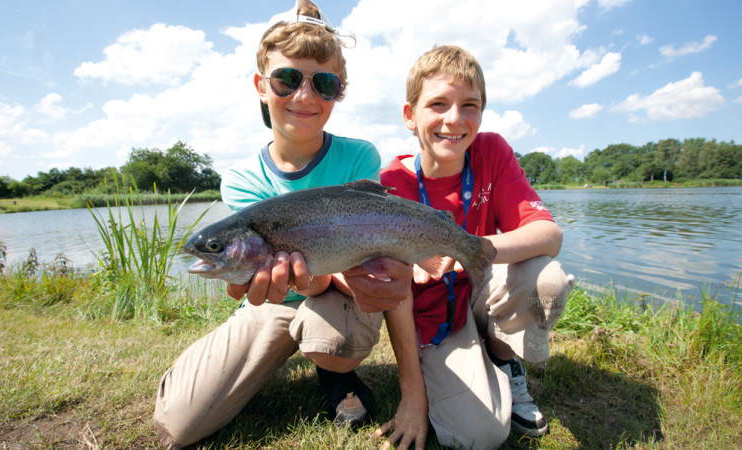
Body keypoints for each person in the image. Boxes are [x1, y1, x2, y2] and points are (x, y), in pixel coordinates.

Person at [152, 2, 413, 448]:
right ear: (260, 85)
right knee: (177, 425)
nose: (305, 96)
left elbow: (372, 266)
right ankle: (280, 354)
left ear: (338, 92)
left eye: (324, 83)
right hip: (270, 302)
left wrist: (321, 280)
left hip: (340, 296)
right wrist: (291, 281)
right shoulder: (240, 179)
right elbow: (249, 284)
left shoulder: (360, 157)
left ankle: (336, 375)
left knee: (331, 332)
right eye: (287, 79)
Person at [376, 45, 575, 449]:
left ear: (482, 113)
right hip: (432, 320)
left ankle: (502, 358)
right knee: (480, 436)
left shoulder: (492, 151)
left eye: (470, 105)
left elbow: (549, 235)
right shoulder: (390, 184)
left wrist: (469, 247)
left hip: (479, 291)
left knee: (547, 280)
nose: (454, 119)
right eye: (437, 104)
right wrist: (413, 395)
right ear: (409, 116)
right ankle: (464, 365)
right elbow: (394, 295)